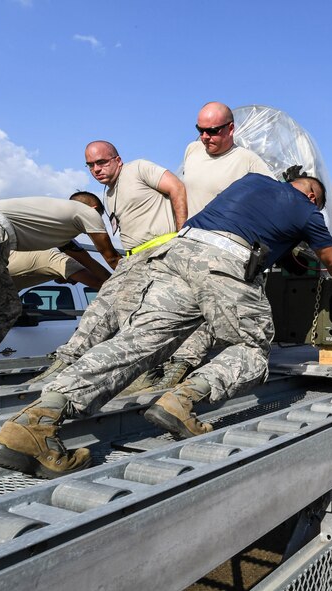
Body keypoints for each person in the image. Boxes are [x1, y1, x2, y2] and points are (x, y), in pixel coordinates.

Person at [0, 173, 332, 478]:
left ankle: (36, 419)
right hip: (224, 263)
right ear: (313, 196)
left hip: (176, 254)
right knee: (250, 348)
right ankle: (182, 400)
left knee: (138, 343)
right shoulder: (306, 210)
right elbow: (331, 261)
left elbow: (259, 226)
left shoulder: (252, 182)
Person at [129, 102, 276, 393]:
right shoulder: (193, 150)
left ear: (231, 129)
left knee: (209, 314)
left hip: (224, 253)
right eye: (200, 130)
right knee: (167, 307)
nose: (205, 137)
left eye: (213, 131)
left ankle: (179, 368)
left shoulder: (249, 162)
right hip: (189, 246)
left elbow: (273, 202)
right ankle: (152, 367)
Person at [31, 141, 188, 383]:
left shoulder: (138, 168)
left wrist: (182, 236)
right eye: (90, 165)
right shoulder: (109, 193)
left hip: (164, 250)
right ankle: (69, 361)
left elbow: (177, 187)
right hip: (134, 258)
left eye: (102, 162)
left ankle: (153, 370)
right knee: (106, 306)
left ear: (117, 160)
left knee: (159, 314)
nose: (96, 169)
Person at [0, 193, 120, 386]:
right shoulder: (85, 211)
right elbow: (111, 257)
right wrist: (129, 283)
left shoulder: (57, 230)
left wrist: (114, 282)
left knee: (5, 308)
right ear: (93, 210)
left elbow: (89, 262)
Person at [8, 244, 111, 290]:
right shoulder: (63, 260)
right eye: (72, 279)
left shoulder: (40, 247)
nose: (73, 283)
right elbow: (97, 284)